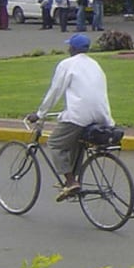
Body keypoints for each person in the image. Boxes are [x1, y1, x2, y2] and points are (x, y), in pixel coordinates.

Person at [28, 33, 114, 201]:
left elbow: (55, 92)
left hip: (79, 115)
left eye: (69, 46)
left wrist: (40, 113)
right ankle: (74, 179)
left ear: (73, 48)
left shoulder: (67, 64)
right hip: (101, 115)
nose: (68, 48)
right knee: (75, 141)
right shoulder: (95, 65)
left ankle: (70, 181)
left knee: (55, 143)